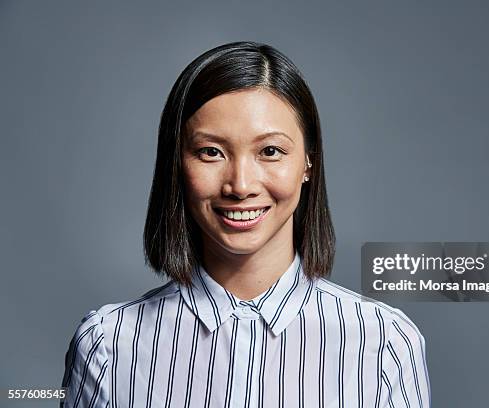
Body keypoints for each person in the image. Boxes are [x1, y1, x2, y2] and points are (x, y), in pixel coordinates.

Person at [60, 41, 431, 408]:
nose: (240, 185)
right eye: (211, 152)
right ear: (177, 164)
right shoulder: (107, 346)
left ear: (308, 163)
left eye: (270, 151)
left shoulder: (385, 343)